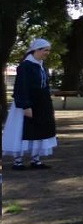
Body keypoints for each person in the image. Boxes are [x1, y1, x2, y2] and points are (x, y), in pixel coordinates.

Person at [2, 38, 57, 170]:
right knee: (22, 130)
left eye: (48, 50)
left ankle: (35, 160)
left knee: (39, 130)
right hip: (27, 103)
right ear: (36, 50)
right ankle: (18, 161)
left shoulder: (41, 65)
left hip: (41, 104)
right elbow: (21, 87)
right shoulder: (26, 66)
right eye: (45, 50)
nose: (47, 53)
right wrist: (25, 105)